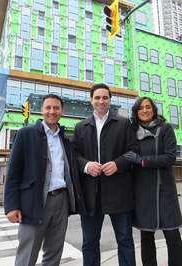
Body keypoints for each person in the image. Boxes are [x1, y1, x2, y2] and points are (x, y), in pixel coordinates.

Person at [4, 94, 85, 266]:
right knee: (27, 254)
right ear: (42, 110)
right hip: (33, 202)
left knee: (54, 254)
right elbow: (13, 173)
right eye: (48, 107)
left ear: (61, 111)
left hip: (61, 201)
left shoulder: (65, 139)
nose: (52, 111)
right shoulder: (26, 134)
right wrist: (11, 206)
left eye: (56, 108)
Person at [72, 83, 137, 266]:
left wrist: (118, 164)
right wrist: (86, 166)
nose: (101, 101)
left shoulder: (124, 123)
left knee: (125, 240)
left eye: (105, 97)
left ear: (110, 100)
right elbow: (73, 156)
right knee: (90, 243)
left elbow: (133, 151)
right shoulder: (80, 127)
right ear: (91, 100)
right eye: (97, 97)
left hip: (119, 192)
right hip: (91, 195)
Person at [123, 96, 182, 266]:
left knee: (172, 236)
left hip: (165, 190)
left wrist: (143, 161)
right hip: (143, 192)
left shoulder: (165, 129)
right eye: (140, 108)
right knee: (146, 237)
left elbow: (170, 157)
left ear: (154, 109)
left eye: (148, 107)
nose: (144, 110)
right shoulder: (132, 132)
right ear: (136, 112)